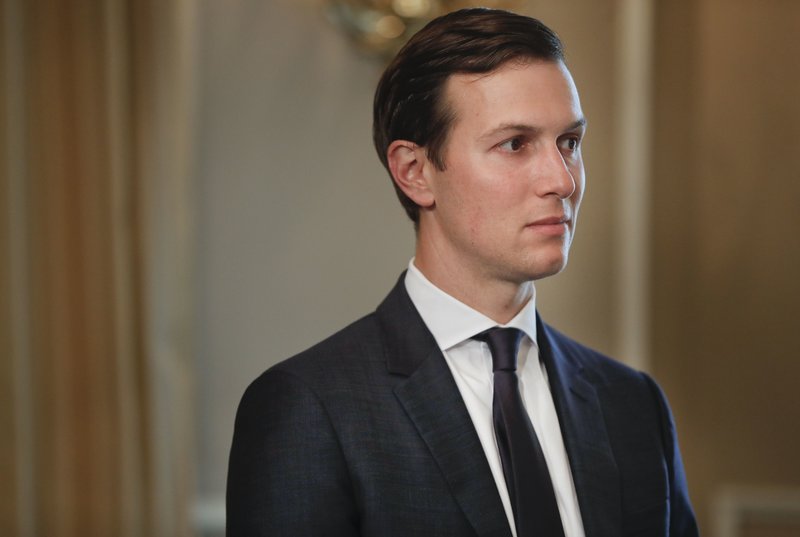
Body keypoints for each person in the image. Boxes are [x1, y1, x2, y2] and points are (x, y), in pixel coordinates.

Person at [227, 8, 698, 537]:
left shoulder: (632, 403)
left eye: (569, 142)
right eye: (515, 144)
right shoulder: (309, 408)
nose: (562, 180)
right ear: (415, 172)